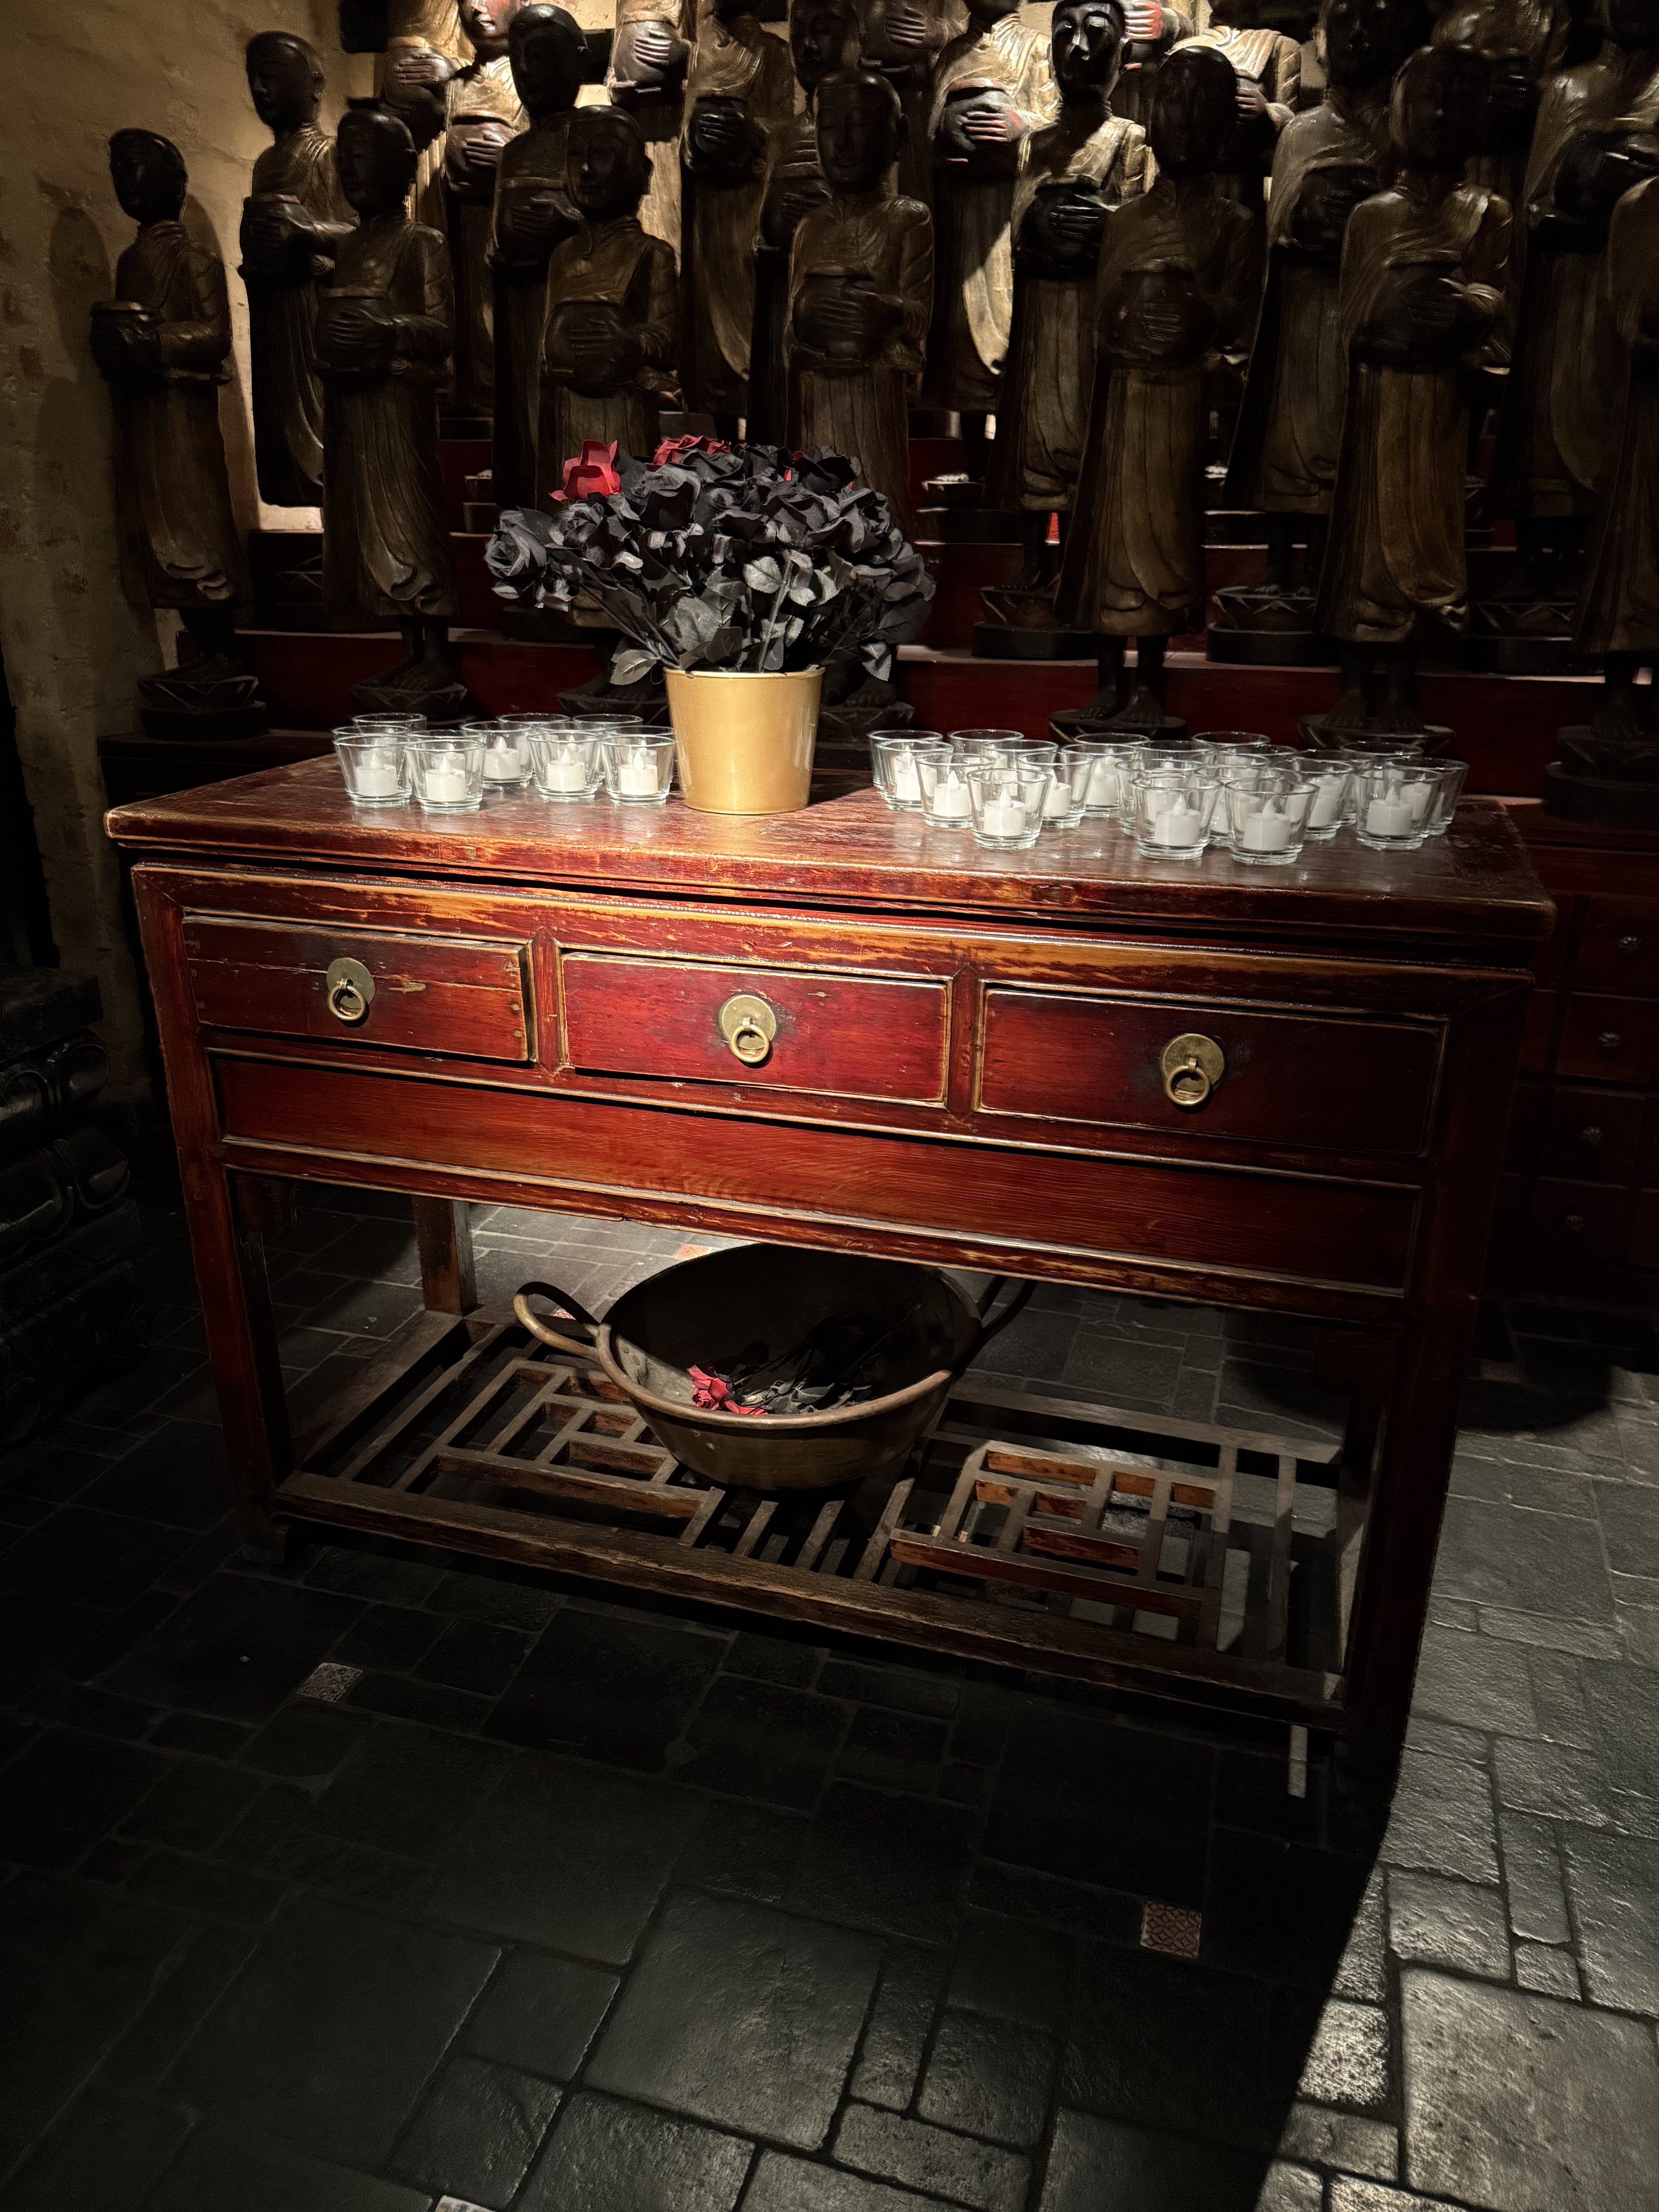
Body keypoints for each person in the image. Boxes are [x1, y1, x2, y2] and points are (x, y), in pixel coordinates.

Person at [1053, 43, 1261, 729]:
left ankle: (1150, 684)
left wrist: (1192, 317)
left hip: (1177, 405)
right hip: (1119, 404)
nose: (1184, 119)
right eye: (1172, 101)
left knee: (1166, 542)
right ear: (1151, 112)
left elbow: (1238, 319)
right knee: (1109, 543)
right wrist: (1126, 324)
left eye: (1204, 105)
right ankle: (1108, 679)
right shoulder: (1124, 221)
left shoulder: (1232, 223)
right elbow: (1097, 320)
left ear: (1226, 124)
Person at [1314, 42, 1510, 734]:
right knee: (1367, 546)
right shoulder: (1373, 215)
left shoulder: (1488, 213)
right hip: (1377, 401)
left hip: (1438, 409)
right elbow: (1351, 322)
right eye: (1421, 100)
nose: (1435, 115)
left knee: (1425, 547)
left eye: (1453, 103)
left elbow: (1501, 322)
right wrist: (1392, 326)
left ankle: (1401, 694)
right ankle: (1351, 689)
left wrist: (1471, 311)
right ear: (1394, 112)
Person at [985, 0, 1150, 588]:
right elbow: (1018, 227)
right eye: (1065, 35)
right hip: (1040, 320)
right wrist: (1045, 226)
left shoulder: (1131, 141)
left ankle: (1081, 570)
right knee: (1034, 443)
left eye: (1097, 36)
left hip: (1092, 322)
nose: (1079, 49)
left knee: (1084, 443)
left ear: (1123, 57)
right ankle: (1033, 568)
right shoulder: (1033, 144)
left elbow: (1141, 230)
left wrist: (1101, 224)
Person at [318, 99, 462, 701]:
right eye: (343, 163)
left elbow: (441, 331)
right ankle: (407, 651)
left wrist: (387, 334)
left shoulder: (420, 243)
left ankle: (435, 650)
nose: (351, 174)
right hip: (352, 406)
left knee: (408, 522)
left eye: (363, 161)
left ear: (402, 169)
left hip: (398, 408)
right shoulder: (343, 251)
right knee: (364, 529)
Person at [788, 67, 934, 530]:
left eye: (861, 125)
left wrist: (884, 313)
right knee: (819, 519)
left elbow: (920, 317)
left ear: (896, 135)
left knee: (877, 512)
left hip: (875, 401)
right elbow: (787, 335)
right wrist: (807, 330)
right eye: (830, 127)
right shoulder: (810, 227)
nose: (844, 143)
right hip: (818, 402)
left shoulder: (909, 219)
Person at [539, 108, 680, 494]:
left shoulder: (653, 254)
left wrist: (629, 344)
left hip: (624, 416)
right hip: (564, 416)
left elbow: (667, 341)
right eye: (575, 155)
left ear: (642, 172)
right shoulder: (562, 257)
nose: (585, 168)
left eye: (602, 153)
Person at [242, 32, 355, 508]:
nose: (261, 89)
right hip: (275, 312)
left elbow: (362, 235)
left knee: (328, 442)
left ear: (313, 84)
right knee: (281, 439)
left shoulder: (330, 154)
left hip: (316, 311)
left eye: (271, 76)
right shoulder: (266, 163)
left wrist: (306, 232)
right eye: (254, 79)